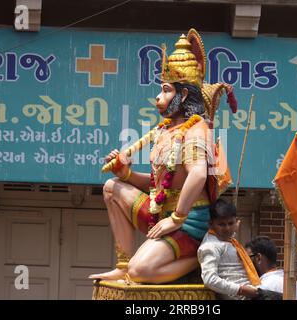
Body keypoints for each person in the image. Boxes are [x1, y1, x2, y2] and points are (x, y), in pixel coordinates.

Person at [89, 29, 235, 284]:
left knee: (141, 271)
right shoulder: (167, 130)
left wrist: (177, 219)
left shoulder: (197, 129)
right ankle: (122, 264)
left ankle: (199, 261)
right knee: (112, 187)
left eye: (166, 90)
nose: (159, 97)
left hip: (187, 222)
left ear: (184, 95)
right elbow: (160, 186)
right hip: (160, 214)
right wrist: (126, 174)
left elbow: (198, 174)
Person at [197, 199, 261, 299]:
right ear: (211, 224)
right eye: (221, 224)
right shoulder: (210, 246)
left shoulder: (229, 240)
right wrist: (240, 290)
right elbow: (209, 279)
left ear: (236, 222)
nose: (227, 228)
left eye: (231, 223)